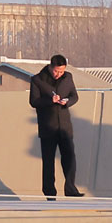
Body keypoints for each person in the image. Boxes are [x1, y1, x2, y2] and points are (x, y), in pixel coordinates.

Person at [29, 54, 84, 199]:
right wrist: (50, 100)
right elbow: (34, 101)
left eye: (61, 71)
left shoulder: (68, 78)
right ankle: (49, 193)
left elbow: (75, 96)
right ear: (50, 67)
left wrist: (67, 101)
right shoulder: (37, 80)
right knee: (48, 161)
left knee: (70, 157)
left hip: (65, 126)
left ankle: (71, 189)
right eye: (56, 71)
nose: (59, 74)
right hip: (48, 126)